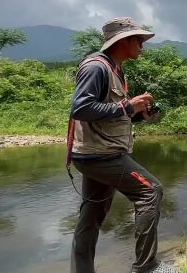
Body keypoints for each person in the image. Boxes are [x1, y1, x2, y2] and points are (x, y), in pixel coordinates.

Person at [68, 17, 176, 273]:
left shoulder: (116, 70)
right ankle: (146, 267)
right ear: (123, 41)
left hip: (96, 154)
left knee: (91, 217)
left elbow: (111, 111)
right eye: (139, 40)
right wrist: (128, 105)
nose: (143, 46)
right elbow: (81, 108)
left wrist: (140, 113)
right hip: (101, 155)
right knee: (151, 191)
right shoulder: (96, 67)